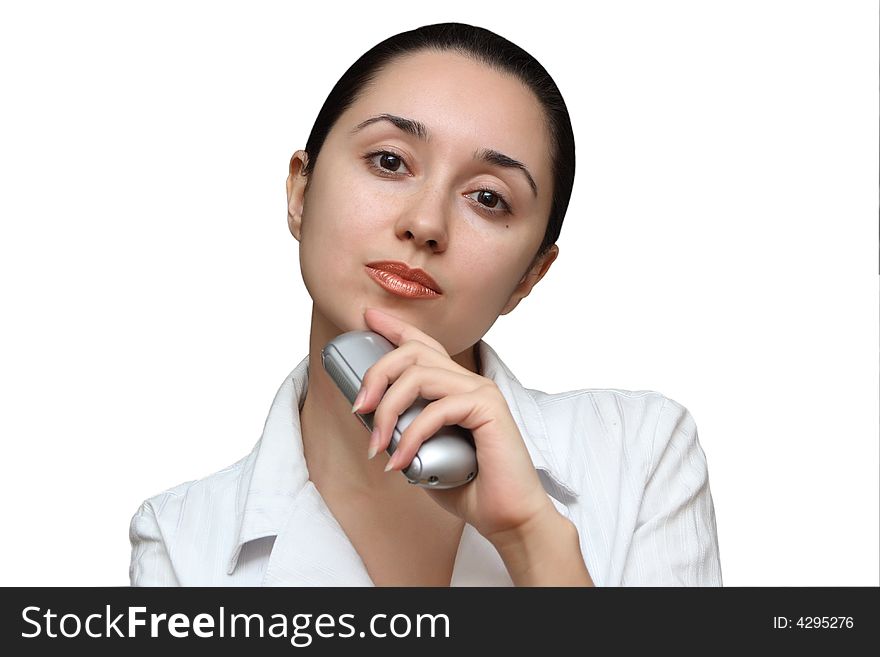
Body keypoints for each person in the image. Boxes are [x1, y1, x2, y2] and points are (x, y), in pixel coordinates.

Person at [129, 22, 722, 587]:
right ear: (300, 194)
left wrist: (529, 537)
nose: (425, 223)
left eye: (488, 198)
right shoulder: (180, 541)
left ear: (530, 276)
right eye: (390, 161)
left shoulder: (640, 452)